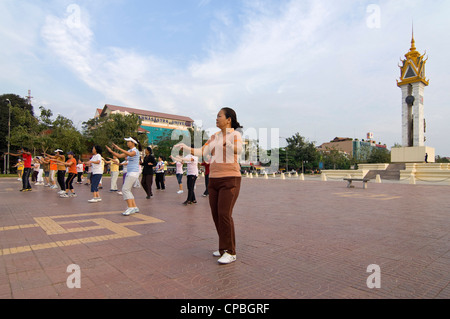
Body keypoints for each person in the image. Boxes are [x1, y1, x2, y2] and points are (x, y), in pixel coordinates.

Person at [175, 107, 243, 264]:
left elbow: (238, 150)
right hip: (213, 179)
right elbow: (201, 151)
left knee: (225, 214)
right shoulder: (213, 137)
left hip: (230, 179)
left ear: (228, 119)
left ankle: (230, 251)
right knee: (216, 215)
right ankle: (223, 247)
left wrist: (229, 145)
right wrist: (186, 148)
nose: (216, 118)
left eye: (219, 116)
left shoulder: (235, 134)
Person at [106, 137, 142, 216]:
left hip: (133, 172)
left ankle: (130, 208)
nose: (127, 143)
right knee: (127, 190)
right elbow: (119, 155)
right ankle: (134, 207)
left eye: (128, 141)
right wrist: (111, 151)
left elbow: (130, 154)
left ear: (133, 142)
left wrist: (119, 148)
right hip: (130, 172)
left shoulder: (135, 151)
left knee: (125, 189)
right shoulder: (129, 150)